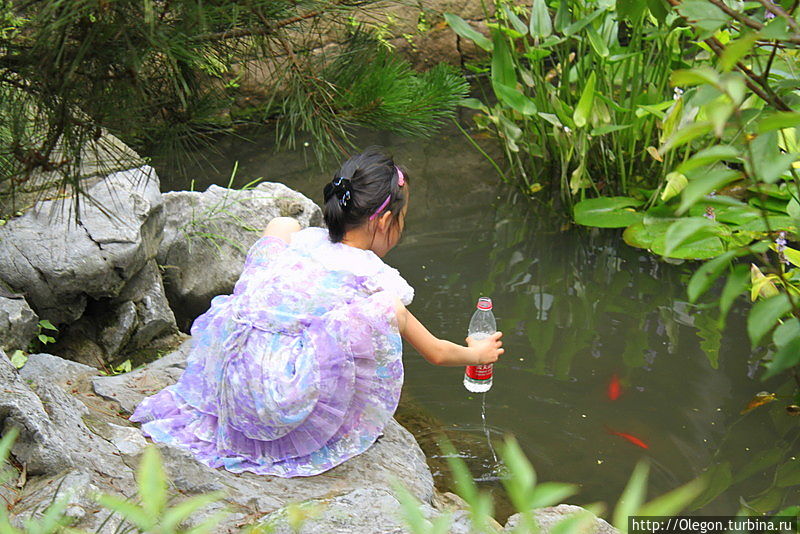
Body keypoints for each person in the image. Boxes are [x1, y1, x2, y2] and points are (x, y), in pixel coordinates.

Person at [130, 147, 504, 477]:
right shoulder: (376, 280)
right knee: (383, 312)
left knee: (282, 223)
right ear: (386, 221)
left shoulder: (305, 241)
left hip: (233, 374)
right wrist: (477, 354)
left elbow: (285, 237)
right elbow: (437, 353)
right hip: (275, 401)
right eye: (402, 220)